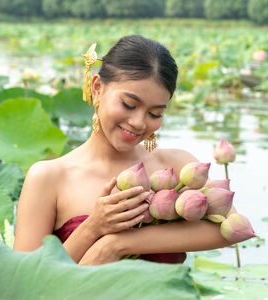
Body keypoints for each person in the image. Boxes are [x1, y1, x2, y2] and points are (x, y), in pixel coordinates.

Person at [13, 35, 234, 265]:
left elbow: (230, 227)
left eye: (155, 113)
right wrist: (93, 228)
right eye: (129, 104)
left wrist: (118, 244)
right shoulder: (49, 177)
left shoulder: (177, 166)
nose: (139, 122)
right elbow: (27, 281)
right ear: (97, 88)